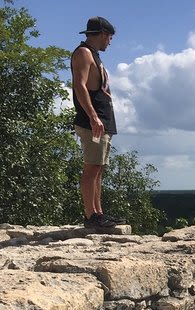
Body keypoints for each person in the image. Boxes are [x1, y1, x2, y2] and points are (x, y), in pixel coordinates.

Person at [71, 16, 125, 228]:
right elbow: (80, 86)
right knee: (92, 167)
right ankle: (90, 216)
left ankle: (98, 213)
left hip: (103, 120)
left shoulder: (94, 55)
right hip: (92, 120)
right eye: (109, 37)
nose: (110, 41)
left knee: (99, 168)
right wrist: (93, 116)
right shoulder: (83, 53)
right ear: (102, 34)